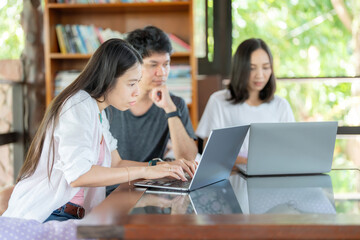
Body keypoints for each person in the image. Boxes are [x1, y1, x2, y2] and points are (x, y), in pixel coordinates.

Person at [3, 39, 194, 223]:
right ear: (109, 79)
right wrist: (145, 171)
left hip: (75, 214)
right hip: (51, 214)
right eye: (131, 83)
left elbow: (116, 163)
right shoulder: (77, 105)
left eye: (138, 82)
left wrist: (159, 168)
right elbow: (79, 175)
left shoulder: (98, 111)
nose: (137, 91)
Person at [105, 26, 198, 195]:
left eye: (166, 64)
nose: (162, 72)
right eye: (153, 64)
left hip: (152, 188)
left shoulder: (175, 103)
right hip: (113, 187)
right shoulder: (110, 102)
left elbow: (188, 159)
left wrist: (170, 110)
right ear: (132, 64)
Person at [196, 38, 295, 164]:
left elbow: (291, 149)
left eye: (265, 67)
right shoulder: (219, 101)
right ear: (240, 69)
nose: (259, 75)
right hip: (231, 178)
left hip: (271, 178)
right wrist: (249, 163)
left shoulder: (281, 105)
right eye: (252, 68)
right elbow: (209, 151)